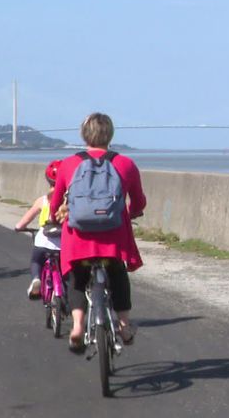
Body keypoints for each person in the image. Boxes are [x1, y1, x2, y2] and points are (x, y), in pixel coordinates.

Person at [49, 113, 146, 353]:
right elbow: (139, 201)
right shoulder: (125, 164)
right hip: (114, 234)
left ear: (84, 135)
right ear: (110, 134)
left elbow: (55, 202)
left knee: (77, 278)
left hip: (78, 236)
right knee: (118, 274)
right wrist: (133, 213)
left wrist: (55, 217)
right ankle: (124, 326)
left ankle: (78, 327)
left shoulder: (69, 164)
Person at [14, 160, 63, 299]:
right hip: (63, 243)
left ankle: (36, 279)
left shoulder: (43, 200)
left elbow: (24, 221)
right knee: (67, 271)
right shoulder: (69, 200)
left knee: (36, 261)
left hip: (44, 241)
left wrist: (19, 227)